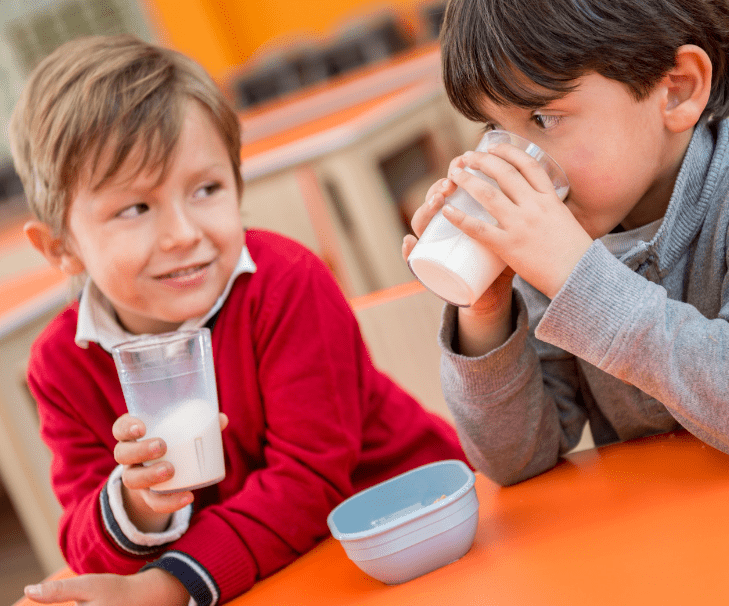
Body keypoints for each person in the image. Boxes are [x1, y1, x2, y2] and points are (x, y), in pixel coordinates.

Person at [10, 34, 466, 606]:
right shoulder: (61, 365)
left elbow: (308, 484)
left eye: (206, 189)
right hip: (261, 576)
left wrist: (163, 589)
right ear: (60, 248)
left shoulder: (284, 284)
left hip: (415, 534)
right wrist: (135, 504)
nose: (183, 233)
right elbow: (86, 543)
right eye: (136, 208)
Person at [402, 0, 729, 487]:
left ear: (676, 89)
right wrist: (488, 312)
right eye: (494, 128)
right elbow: (515, 459)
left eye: (543, 118)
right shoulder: (560, 228)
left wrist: (580, 280)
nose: (519, 165)